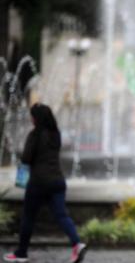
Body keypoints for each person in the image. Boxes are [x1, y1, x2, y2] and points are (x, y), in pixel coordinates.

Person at [3, 103, 87, 263]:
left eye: (32, 116)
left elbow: (27, 158)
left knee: (28, 217)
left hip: (39, 182)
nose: (31, 118)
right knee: (62, 215)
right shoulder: (56, 134)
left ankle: (21, 254)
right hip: (58, 181)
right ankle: (77, 244)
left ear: (37, 118)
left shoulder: (35, 135)